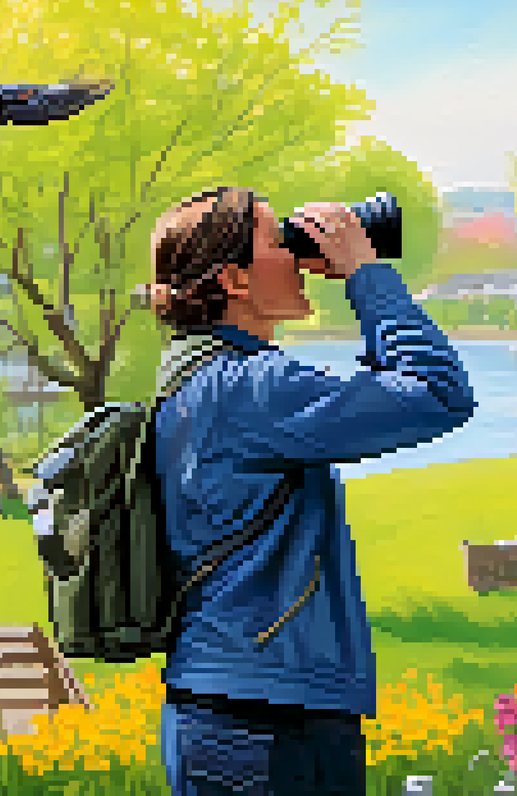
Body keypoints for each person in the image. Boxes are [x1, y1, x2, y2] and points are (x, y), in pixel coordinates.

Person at [145, 186, 476, 796]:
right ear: (235, 280)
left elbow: (389, 397)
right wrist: (366, 275)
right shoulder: (255, 390)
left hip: (226, 704)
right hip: (269, 718)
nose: (300, 252)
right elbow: (437, 393)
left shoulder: (196, 375)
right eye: (280, 241)